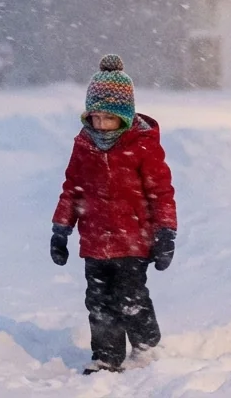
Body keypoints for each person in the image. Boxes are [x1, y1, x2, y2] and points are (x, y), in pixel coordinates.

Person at [49, 55, 177, 374]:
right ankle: (106, 356)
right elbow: (72, 189)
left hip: (134, 241)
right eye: (96, 117)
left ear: (124, 117)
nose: (102, 125)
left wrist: (165, 232)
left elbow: (161, 192)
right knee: (99, 304)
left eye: (110, 118)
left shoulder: (142, 145)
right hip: (95, 242)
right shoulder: (84, 146)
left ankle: (146, 344)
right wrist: (61, 229)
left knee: (130, 298)